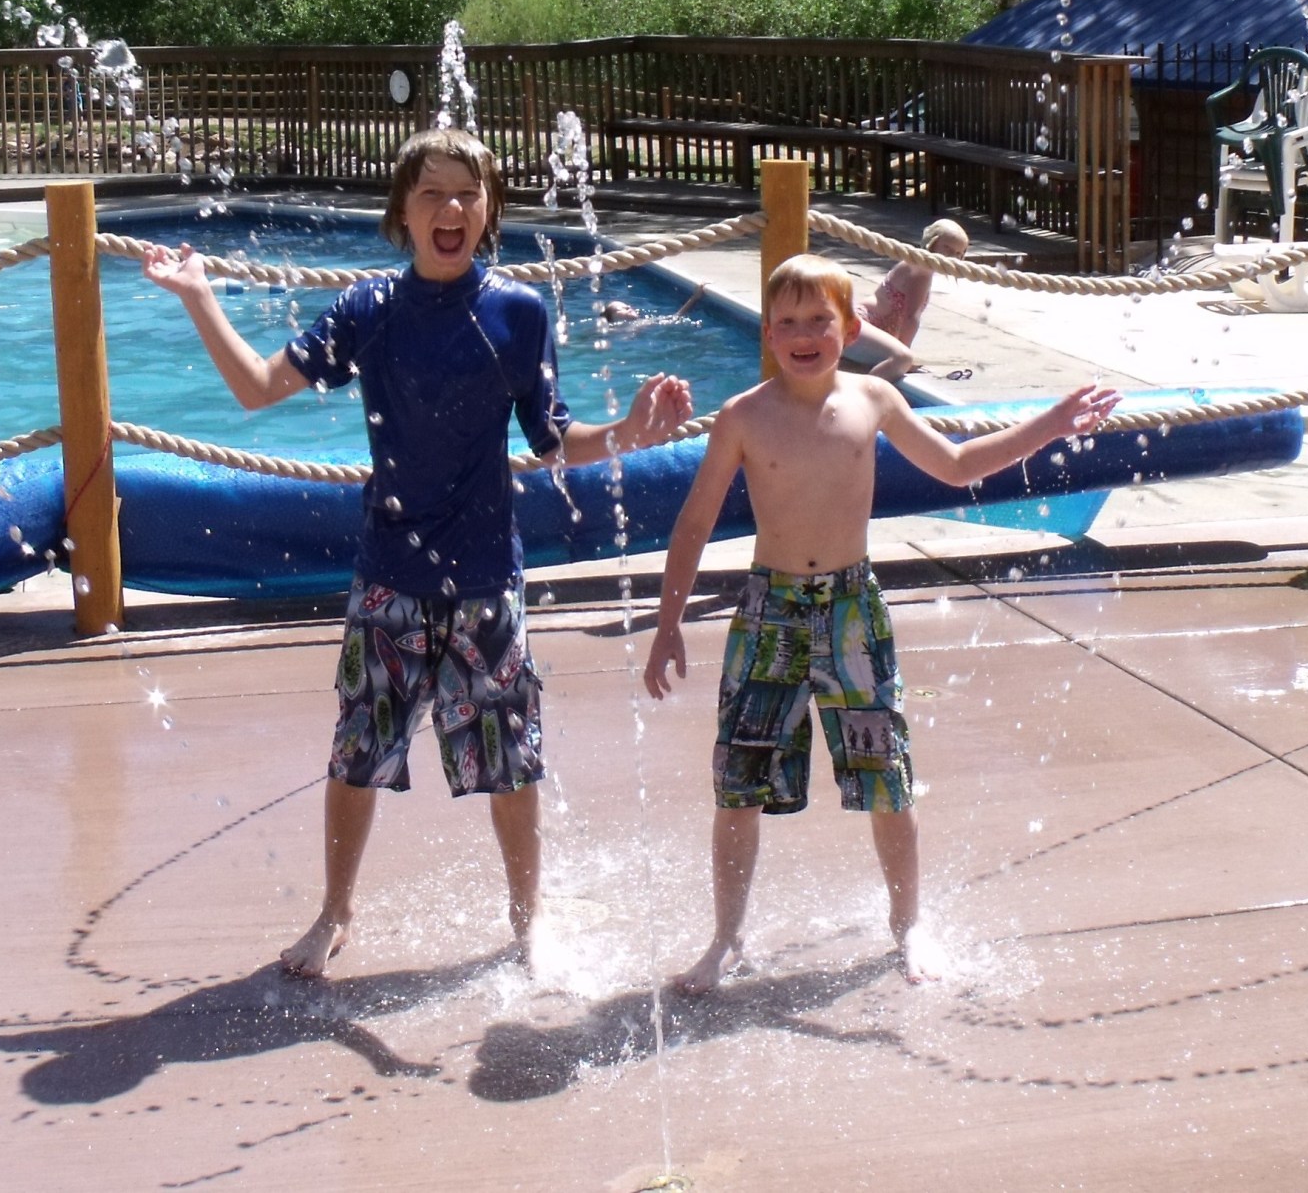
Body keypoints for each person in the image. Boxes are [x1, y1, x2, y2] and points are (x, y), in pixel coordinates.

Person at [142, 127, 695, 978]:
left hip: (486, 578)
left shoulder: (519, 312)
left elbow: (552, 438)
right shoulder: (370, 310)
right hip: (391, 578)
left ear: (489, 210)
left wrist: (628, 431)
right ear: (402, 212)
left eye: (468, 193)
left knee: (512, 763)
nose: (451, 208)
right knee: (356, 755)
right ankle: (335, 912)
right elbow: (255, 387)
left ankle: (527, 921)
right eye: (432, 193)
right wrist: (197, 296)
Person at [643, 253, 1118, 989]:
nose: (804, 336)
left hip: (852, 612)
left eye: (819, 321)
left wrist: (1049, 425)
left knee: (888, 777)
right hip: (769, 612)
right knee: (739, 784)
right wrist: (668, 621)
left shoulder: (874, 400)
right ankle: (725, 939)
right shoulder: (743, 416)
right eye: (788, 323)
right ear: (767, 333)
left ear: (852, 328)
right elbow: (695, 521)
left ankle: (909, 927)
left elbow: (957, 465)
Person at [845, 218, 970, 380]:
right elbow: (911, 317)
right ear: (932, 243)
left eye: (958, 253)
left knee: (902, 359)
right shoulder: (921, 270)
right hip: (857, 325)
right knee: (902, 359)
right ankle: (865, 392)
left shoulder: (918, 264)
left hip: (860, 327)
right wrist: (905, 353)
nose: (952, 257)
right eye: (947, 248)